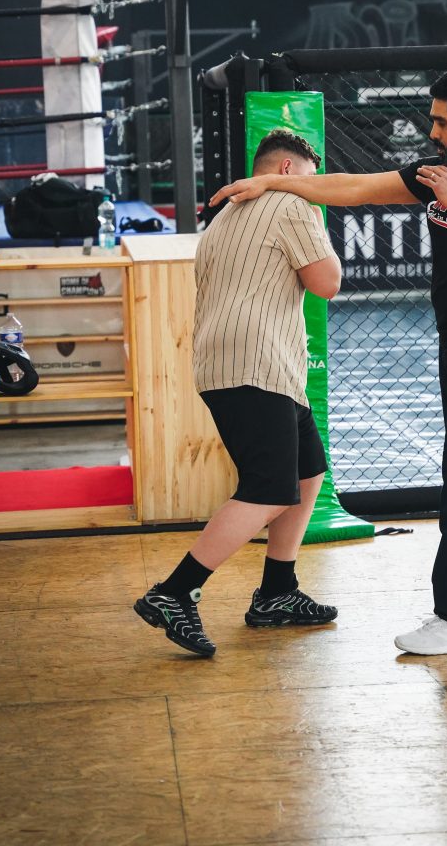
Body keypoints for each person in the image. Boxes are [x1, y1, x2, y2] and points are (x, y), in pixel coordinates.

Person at [210, 67, 447, 656]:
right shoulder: (437, 173)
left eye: (442, 121)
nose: (433, 130)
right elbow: (355, 188)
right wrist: (271, 186)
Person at [134, 129, 342, 657]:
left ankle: (277, 592)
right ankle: (174, 592)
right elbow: (327, 282)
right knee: (270, 488)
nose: (314, 190)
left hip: (251, 367)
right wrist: (316, 212)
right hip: (257, 365)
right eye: (311, 180)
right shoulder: (292, 205)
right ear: (288, 171)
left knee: (306, 472)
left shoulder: (224, 214)